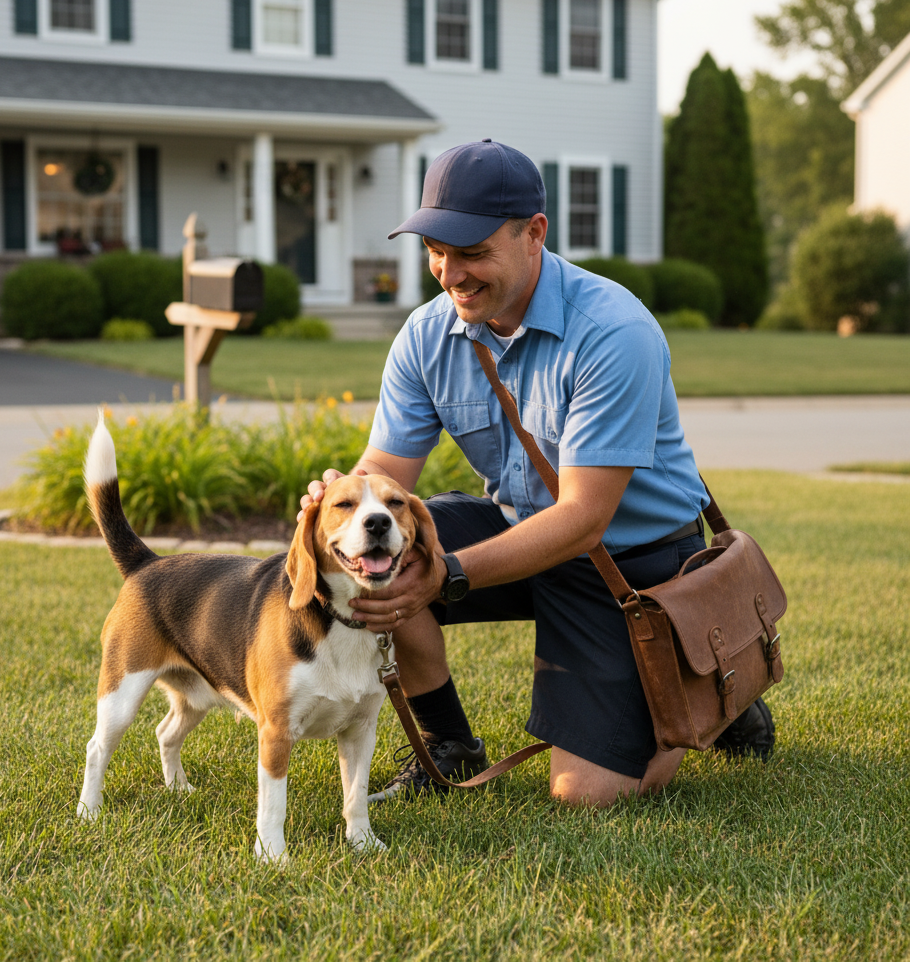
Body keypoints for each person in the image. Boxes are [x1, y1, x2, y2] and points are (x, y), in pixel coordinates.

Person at [301, 140, 775, 807]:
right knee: (382, 558)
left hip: (632, 563)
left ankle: (702, 688)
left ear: (534, 234)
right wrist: (342, 505)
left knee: (585, 794)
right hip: (519, 527)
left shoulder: (613, 331)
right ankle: (449, 743)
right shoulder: (424, 336)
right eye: (436, 249)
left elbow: (584, 517)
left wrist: (452, 573)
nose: (450, 272)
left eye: (471, 251)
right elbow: (384, 470)